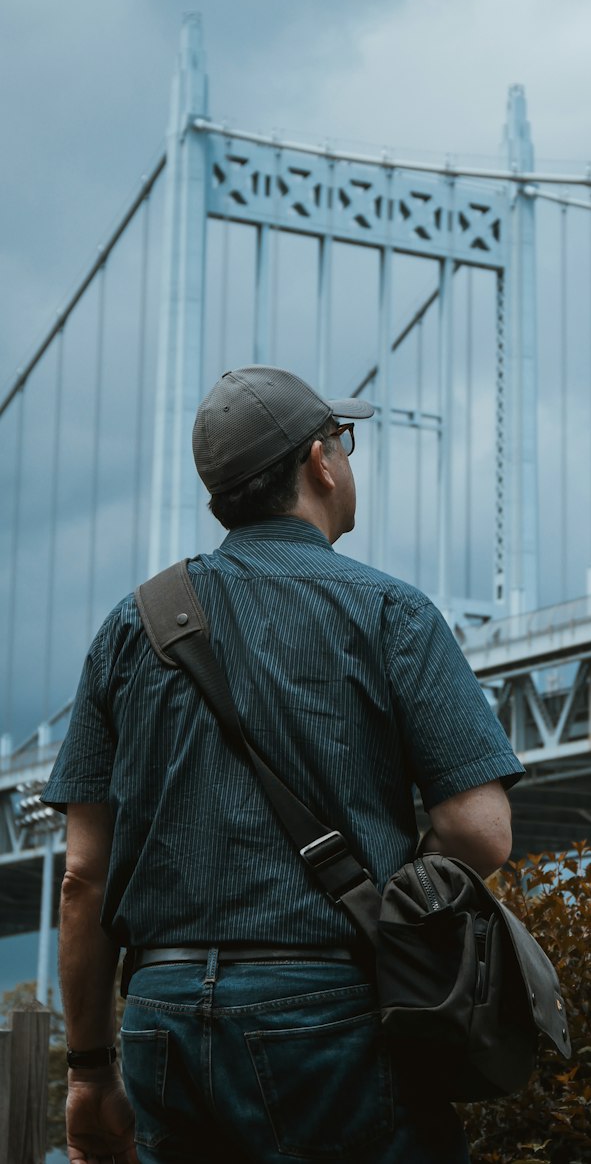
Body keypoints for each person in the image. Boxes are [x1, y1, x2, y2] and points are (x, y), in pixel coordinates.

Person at [43, 364, 525, 1164]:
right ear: (319, 460)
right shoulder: (392, 612)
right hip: (326, 1008)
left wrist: (90, 1071)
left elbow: (82, 879)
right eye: (347, 442)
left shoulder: (132, 625)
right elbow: (482, 832)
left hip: (159, 1014)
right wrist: (394, 909)